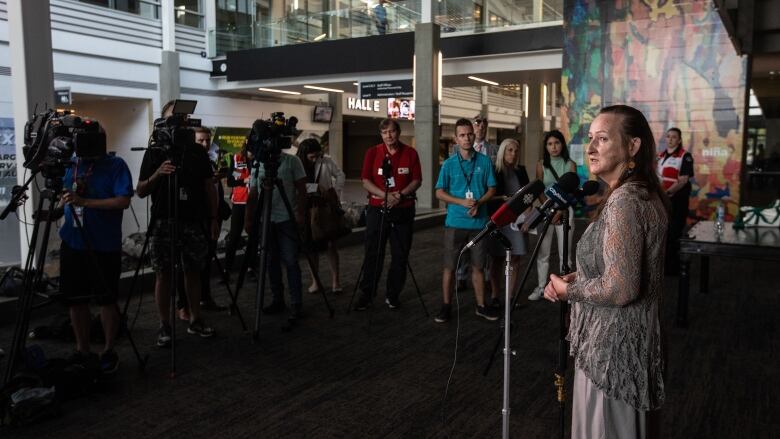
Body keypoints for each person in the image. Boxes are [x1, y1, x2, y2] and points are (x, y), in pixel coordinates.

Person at [543, 104, 668, 438]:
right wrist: (581, 278)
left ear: (632, 146)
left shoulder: (626, 200)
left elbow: (622, 287)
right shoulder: (639, 192)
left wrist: (571, 291)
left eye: (603, 138)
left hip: (613, 353)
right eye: (590, 138)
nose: (591, 147)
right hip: (625, 346)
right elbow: (620, 268)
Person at [137, 101, 217, 347]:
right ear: (163, 121)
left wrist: (213, 219)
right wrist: (158, 173)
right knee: (163, 273)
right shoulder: (154, 151)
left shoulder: (196, 151)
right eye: (173, 117)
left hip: (192, 220)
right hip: (163, 221)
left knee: (193, 271)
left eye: (182, 117)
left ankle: (195, 319)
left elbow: (208, 187)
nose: (178, 121)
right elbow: (140, 190)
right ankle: (165, 325)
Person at [58, 124, 133, 373]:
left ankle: (109, 349)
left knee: (106, 299)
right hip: (73, 241)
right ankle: (83, 349)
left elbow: (123, 200)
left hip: (104, 243)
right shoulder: (69, 164)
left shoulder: (116, 165)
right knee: (75, 300)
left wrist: (85, 202)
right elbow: (63, 195)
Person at [434, 118, 498, 323]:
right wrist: (461, 202)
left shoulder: (485, 161)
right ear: (455, 138)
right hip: (455, 223)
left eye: (469, 134)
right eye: (462, 135)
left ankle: (481, 306)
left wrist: (479, 202)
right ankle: (446, 306)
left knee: (479, 267)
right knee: (449, 267)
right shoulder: (449, 164)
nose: (467, 138)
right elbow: (439, 192)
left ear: (474, 134)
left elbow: (492, 189)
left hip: (479, 224)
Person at [356, 118, 422, 310]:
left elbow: (417, 180)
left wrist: (399, 195)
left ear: (398, 132)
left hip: (403, 209)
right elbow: (365, 180)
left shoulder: (410, 153)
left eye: (392, 131)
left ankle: (393, 295)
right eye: (384, 133)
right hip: (377, 209)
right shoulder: (372, 152)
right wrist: (383, 194)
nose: (388, 136)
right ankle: (367, 295)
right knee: (373, 253)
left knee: (400, 255)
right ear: (381, 135)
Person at [244, 146, 307, 319]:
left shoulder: (292, 161)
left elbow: (302, 189)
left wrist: (300, 214)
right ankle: (278, 300)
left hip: (287, 219)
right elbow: (254, 192)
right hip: (266, 220)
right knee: (271, 261)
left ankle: (296, 303)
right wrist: (249, 218)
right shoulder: (258, 164)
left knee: (291, 261)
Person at [527, 130, 577, 301]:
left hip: (565, 211)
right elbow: (539, 189)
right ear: (546, 147)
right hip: (546, 211)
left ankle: (567, 289)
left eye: (556, 143)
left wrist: (560, 209)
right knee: (543, 252)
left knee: (566, 253)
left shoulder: (570, 164)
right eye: (549, 144)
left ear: (562, 144)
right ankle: (541, 287)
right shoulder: (541, 165)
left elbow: (572, 192)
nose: (553, 147)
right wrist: (549, 209)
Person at [296, 138, 346, 294]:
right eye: (311, 157)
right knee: (311, 247)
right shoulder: (297, 163)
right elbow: (296, 185)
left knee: (331, 245)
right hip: (307, 208)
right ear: (303, 155)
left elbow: (340, 175)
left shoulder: (326, 161)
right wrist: (314, 188)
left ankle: (335, 281)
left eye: (317, 156)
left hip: (325, 207)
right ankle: (315, 282)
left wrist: (335, 191)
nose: (315, 159)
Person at [487, 138, 530, 308]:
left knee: (516, 258)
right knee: (497, 259)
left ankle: (510, 297)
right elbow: (488, 196)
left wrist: (527, 216)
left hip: (517, 220)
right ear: (502, 151)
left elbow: (528, 196)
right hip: (499, 220)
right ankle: (496, 295)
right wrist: (505, 199)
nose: (513, 153)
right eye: (509, 150)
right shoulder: (495, 170)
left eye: (515, 150)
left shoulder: (521, 171)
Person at [657, 127, 693, 276]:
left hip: (677, 200)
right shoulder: (660, 156)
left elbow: (683, 180)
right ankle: (664, 266)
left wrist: (667, 193)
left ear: (679, 140)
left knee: (674, 233)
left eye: (674, 137)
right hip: (663, 200)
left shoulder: (685, 156)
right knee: (663, 233)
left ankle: (675, 268)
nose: (670, 139)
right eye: (668, 136)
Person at [224, 140, 252, 273]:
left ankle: (251, 267)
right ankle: (227, 270)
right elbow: (230, 181)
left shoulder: (263, 159)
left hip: (255, 202)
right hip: (240, 202)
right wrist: (243, 180)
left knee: (253, 235)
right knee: (234, 236)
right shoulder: (237, 158)